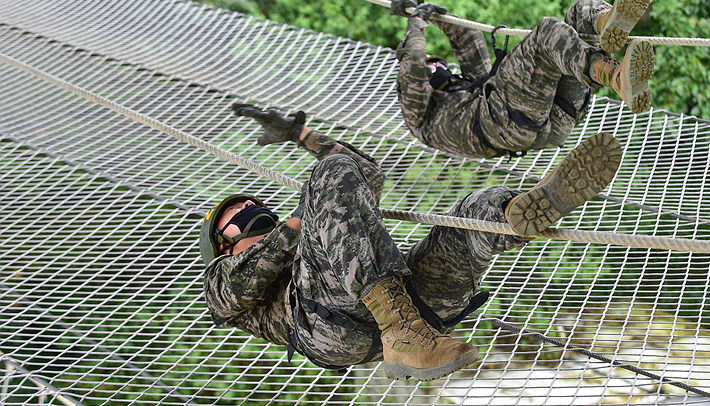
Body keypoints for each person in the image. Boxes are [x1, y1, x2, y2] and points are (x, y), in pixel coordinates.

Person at [200, 105, 622, 380]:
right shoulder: (220, 283)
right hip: (327, 323)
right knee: (329, 175)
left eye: (253, 204)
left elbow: (367, 175)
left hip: (420, 311)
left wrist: (302, 136)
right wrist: (298, 219)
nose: (250, 210)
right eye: (236, 216)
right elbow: (246, 279)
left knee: (473, 212)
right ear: (221, 246)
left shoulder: (313, 235)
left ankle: (526, 208)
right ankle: (401, 332)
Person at [392, 0, 653, 159]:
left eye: (437, 65)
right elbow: (413, 66)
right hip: (504, 123)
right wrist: (415, 23)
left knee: (581, 10)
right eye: (433, 70)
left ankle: (607, 24)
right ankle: (611, 76)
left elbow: (468, 42)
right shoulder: (418, 117)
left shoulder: (465, 91)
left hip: (549, 119)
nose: (435, 68)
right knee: (546, 35)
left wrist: (435, 15)